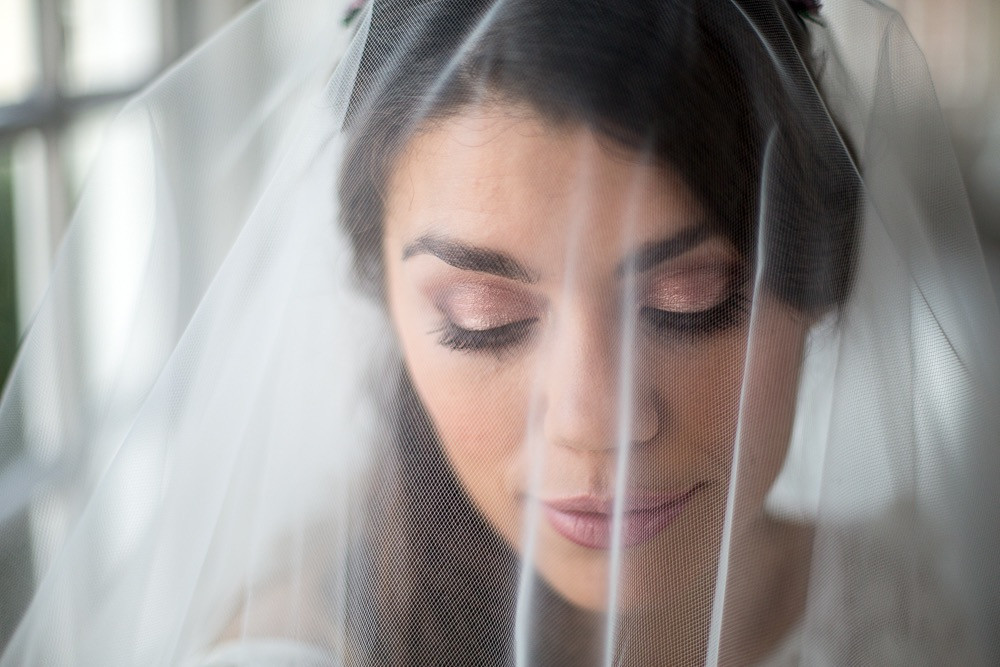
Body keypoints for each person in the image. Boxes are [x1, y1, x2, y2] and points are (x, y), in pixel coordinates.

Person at [1, 0, 997, 665]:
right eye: (484, 320)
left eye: (688, 297)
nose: (597, 420)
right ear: (386, 305)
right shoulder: (302, 643)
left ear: (819, 277)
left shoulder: (894, 605)